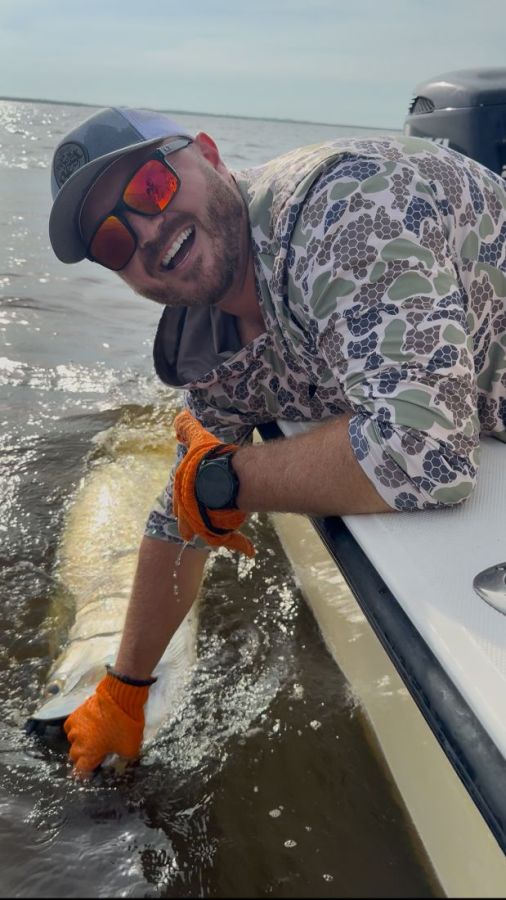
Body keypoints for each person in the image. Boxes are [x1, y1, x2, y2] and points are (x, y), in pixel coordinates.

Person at [48, 106, 506, 773]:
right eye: (114, 242)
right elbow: (182, 513)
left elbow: (423, 455)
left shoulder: (344, 207)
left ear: (207, 152)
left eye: (151, 186)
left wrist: (230, 479)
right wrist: (125, 687)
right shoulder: (208, 339)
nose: (146, 233)